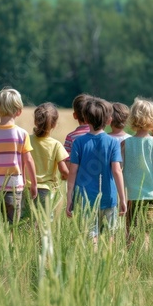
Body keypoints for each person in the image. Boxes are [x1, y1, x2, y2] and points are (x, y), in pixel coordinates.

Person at [65, 96, 127, 242]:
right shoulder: (112, 142)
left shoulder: (78, 142)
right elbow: (117, 171)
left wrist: (69, 199)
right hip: (109, 197)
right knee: (109, 236)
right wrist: (122, 199)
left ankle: (93, 262)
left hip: (85, 199)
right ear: (109, 120)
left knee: (90, 235)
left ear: (85, 119)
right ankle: (108, 263)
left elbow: (72, 172)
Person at [0, 87, 37, 224]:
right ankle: (10, 245)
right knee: (12, 226)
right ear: (19, 112)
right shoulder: (22, 134)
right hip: (14, 187)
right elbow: (28, 160)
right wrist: (34, 183)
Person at [122, 98, 153, 245]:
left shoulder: (125, 143)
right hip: (151, 196)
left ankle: (131, 265)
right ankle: (144, 263)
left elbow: (120, 169)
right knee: (147, 233)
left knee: (130, 233)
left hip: (131, 196)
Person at [29, 102, 69, 211]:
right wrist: (70, 177)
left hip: (26, 188)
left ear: (35, 121)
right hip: (46, 190)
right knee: (43, 222)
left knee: (26, 221)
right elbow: (64, 171)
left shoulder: (26, 140)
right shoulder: (56, 145)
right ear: (54, 124)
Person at [64, 93, 91, 169]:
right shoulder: (100, 134)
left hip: (77, 178)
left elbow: (67, 161)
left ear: (75, 115)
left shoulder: (71, 137)